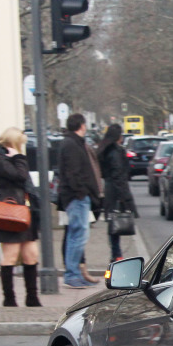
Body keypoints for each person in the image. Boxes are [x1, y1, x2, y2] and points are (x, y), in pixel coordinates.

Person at [0, 128, 42, 307]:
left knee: (31, 255)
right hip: (9, 215)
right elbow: (20, 175)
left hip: (24, 213)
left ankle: (32, 298)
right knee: (10, 257)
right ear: (13, 143)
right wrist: (19, 157)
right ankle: (9, 299)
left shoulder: (7, 159)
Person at [56, 113, 103, 288]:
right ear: (82, 126)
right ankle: (72, 274)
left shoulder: (72, 143)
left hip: (77, 196)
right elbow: (73, 172)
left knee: (77, 235)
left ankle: (74, 273)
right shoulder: (72, 144)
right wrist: (81, 192)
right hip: (76, 197)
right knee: (78, 236)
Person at [97, 124, 138, 263]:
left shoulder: (105, 150)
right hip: (116, 191)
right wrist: (125, 198)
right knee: (116, 222)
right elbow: (119, 175)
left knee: (112, 221)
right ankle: (117, 254)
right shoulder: (115, 152)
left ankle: (116, 253)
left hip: (109, 189)